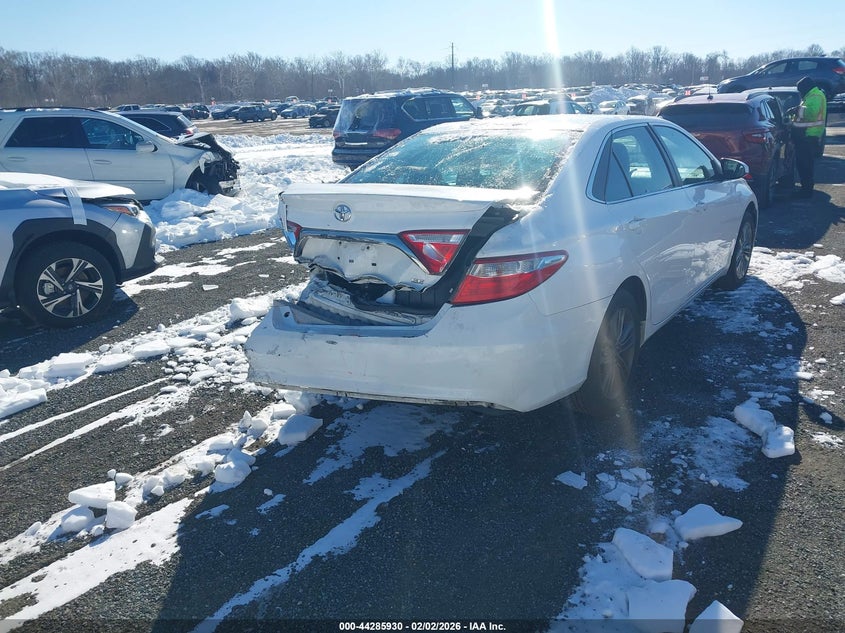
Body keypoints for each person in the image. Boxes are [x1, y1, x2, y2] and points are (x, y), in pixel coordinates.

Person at [791, 76, 827, 198]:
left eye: (801, 90)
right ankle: (805, 189)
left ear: (805, 88)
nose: (800, 93)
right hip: (806, 135)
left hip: (809, 135)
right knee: (803, 163)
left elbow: (811, 113)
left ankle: (806, 190)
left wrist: (796, 110)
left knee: (805, 164)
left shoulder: (815, 96)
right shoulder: (812, 96)